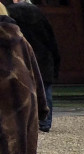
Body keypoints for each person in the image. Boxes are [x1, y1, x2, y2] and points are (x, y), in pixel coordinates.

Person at [0, 1, 47, 154]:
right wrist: (43, 106)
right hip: (23, 98)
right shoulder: (20, 38)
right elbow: (34, 71)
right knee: (25, 152)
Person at [7, 0, 56, 132]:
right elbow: (50, 40)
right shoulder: (39, 15)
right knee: (45, 90)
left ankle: (23, 122)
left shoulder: (10, 16)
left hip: (19, 57)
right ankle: (45, 122)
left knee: (20, 90)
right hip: (42, 56)